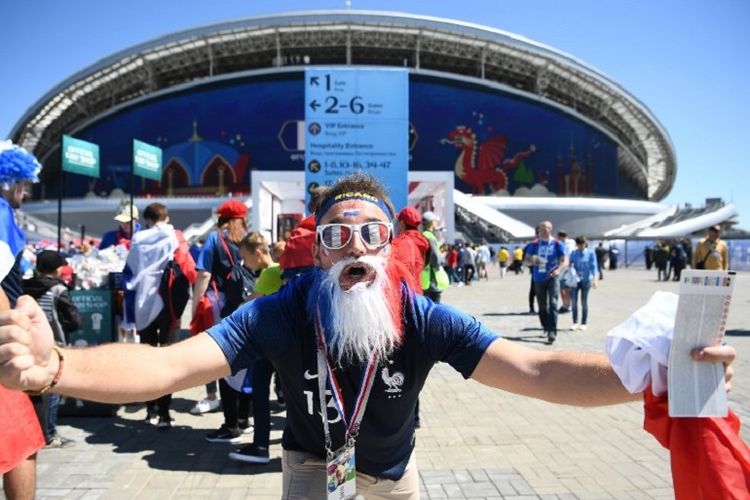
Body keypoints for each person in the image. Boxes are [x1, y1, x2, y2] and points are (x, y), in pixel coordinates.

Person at [0, 173, 737, 499]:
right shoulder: (281, 311)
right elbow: (171, 368)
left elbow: (535, 371)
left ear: (388, 248)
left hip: (396, 477)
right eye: (338, 235)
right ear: (317, 250)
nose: (356, 248)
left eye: (370, 235)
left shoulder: (421, 316)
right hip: (307, 475)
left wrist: (652, 370)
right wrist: (54, 365)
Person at [123, 202, 196, 429]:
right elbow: (188, 268)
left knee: (146, 356)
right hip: (168, 302)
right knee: (167, 358)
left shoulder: (139, 238)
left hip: (143, 300)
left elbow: (131, 268)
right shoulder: (176, 236)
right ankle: (165, 414)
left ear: (148, 219)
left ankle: (150, 410)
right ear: (166, 216)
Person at [0, 140, 45, 499]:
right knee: (21, 444)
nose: (26, 192)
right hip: (2, 350)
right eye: (23, 184)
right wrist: (17, 346)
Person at [192, 199, 254, 439]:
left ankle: (230, 426)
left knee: (222, 361)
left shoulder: (215, 238)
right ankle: (244, 418)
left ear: (221, 218)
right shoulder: (251, 237)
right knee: (246, 360)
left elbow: (204, 274)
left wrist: (197, 303)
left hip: (220, 305)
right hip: (248, 303)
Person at [229, 232, 285, 464]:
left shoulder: (269, 273)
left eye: (245, 257)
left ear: (259, 253)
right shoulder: (282, 270)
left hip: (266, 344)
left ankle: (260, 445)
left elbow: (249, 304)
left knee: (260, 394)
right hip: (287, 344)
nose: (244, 263)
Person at [23, 250, 83, 447]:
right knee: (52, 390)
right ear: (57, 269)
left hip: (27, 343)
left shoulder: (24, 288)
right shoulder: (58, 290)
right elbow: (74, 320)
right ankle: (49, 434)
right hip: (53, 346)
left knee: (32, 391)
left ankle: (35, 431)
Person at [524, 221, 568, 344]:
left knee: (553, 303)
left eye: (547, 228)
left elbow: (565, 261)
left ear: (551, 229)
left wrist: (558, 270)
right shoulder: (534, 244)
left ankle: (552, 331)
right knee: (542, 306)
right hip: (538, 278)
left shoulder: (557, 244)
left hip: (553, 277)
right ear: (539, 230)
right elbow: (526, 261)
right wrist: (534, 260)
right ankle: (545, 325)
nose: (545, 230)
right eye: (543, 228)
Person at [391, 207, 429, 294]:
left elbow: (401, 274)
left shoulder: (402, 242)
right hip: (418, 291)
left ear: (402, 223)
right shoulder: (421, 240)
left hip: (407, 295)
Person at [567, 236, 598, 331]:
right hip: (575, 281)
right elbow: (569, 264)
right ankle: (575, 322)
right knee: (574, 302)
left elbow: (594, 267)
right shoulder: (573, 253)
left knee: (584, 302)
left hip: (586, 280)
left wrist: (595, 280)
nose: (581, 246)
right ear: (576, 245)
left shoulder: (590, 253)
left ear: (585, 243)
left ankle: (584, 323)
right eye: (579, 245)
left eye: (583, 244)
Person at [420, 211, 449, 302]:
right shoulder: (429, 236)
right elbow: (435, 257)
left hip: (425, 279)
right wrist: (442, 260)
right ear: (432, 222)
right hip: (432, 278)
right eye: (435, 221)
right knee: (434, 306)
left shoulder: (423, 234)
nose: (437, 223)